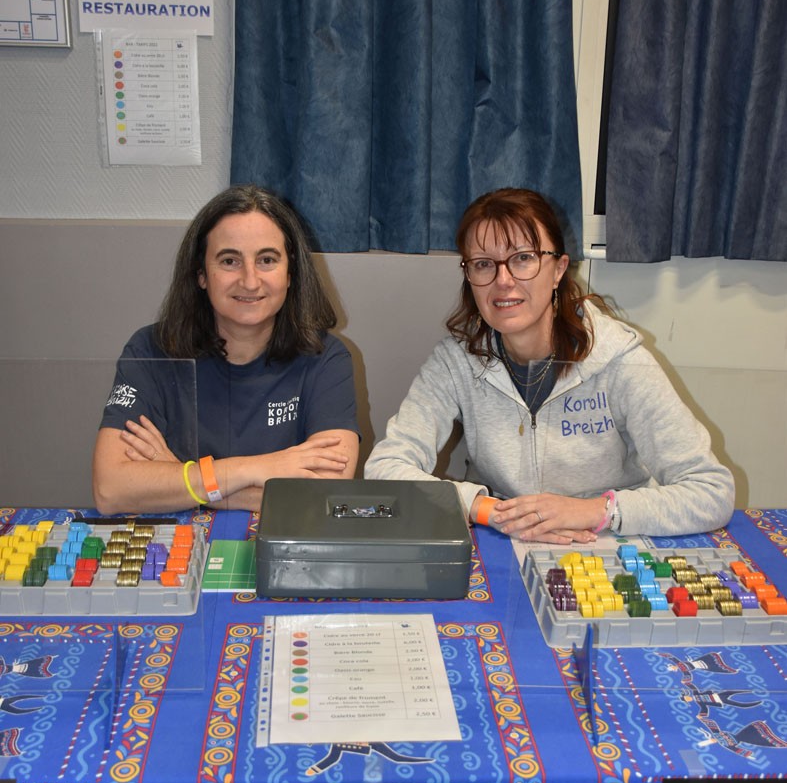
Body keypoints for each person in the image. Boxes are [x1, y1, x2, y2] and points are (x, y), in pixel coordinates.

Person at [364, 187, 734, 542]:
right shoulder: (455, 362)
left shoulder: (620, 360)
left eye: (523, 258)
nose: (503, 281)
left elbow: (711, 492)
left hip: (604, 542)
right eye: (483, 264)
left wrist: (596, 511)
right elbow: (384, 469)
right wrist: (484, 508)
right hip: (502, 535)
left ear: (558, 269)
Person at [93, 185, 359, 514]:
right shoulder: (150, 350)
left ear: (291, 273)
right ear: (201, 274)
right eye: (230, 260)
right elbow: (111, 489)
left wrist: (181, 475)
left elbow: (324, 497)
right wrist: (254, 468)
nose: (249, 281)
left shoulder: (325, 358)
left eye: (267, 260)